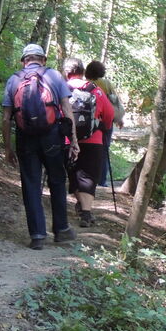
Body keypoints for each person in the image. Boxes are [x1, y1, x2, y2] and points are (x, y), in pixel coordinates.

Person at [2, 44, 79, 250]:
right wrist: (73, 141)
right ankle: (61, 230)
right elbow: (66, 109)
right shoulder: (54, 76)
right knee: (56, 180)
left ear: (23, 61)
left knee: (31, 184)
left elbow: (6, 117)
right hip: (52, 136)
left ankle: (37, 235)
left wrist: (7, 147)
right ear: (43, 60)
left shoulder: (14, 79)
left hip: (25, 138)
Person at [63, 57, 114, 227]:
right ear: (83, 72)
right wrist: (104, 127)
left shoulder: (61, 88)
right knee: (89, 176)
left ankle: (81, 205)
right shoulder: (95, 90)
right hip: (94, 140)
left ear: (66, 72)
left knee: (74, 172)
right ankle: (86, 212)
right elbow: (109, 115)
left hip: (68, 139)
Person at [84, 60, 125, 186]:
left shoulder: (86, 85)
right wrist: (119, 119)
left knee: (88, 150)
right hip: (107, 121)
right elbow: (115, 103)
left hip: (90, 121)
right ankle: (101, 181)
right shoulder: (107, 84)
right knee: (104, 151)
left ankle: (88, 178)